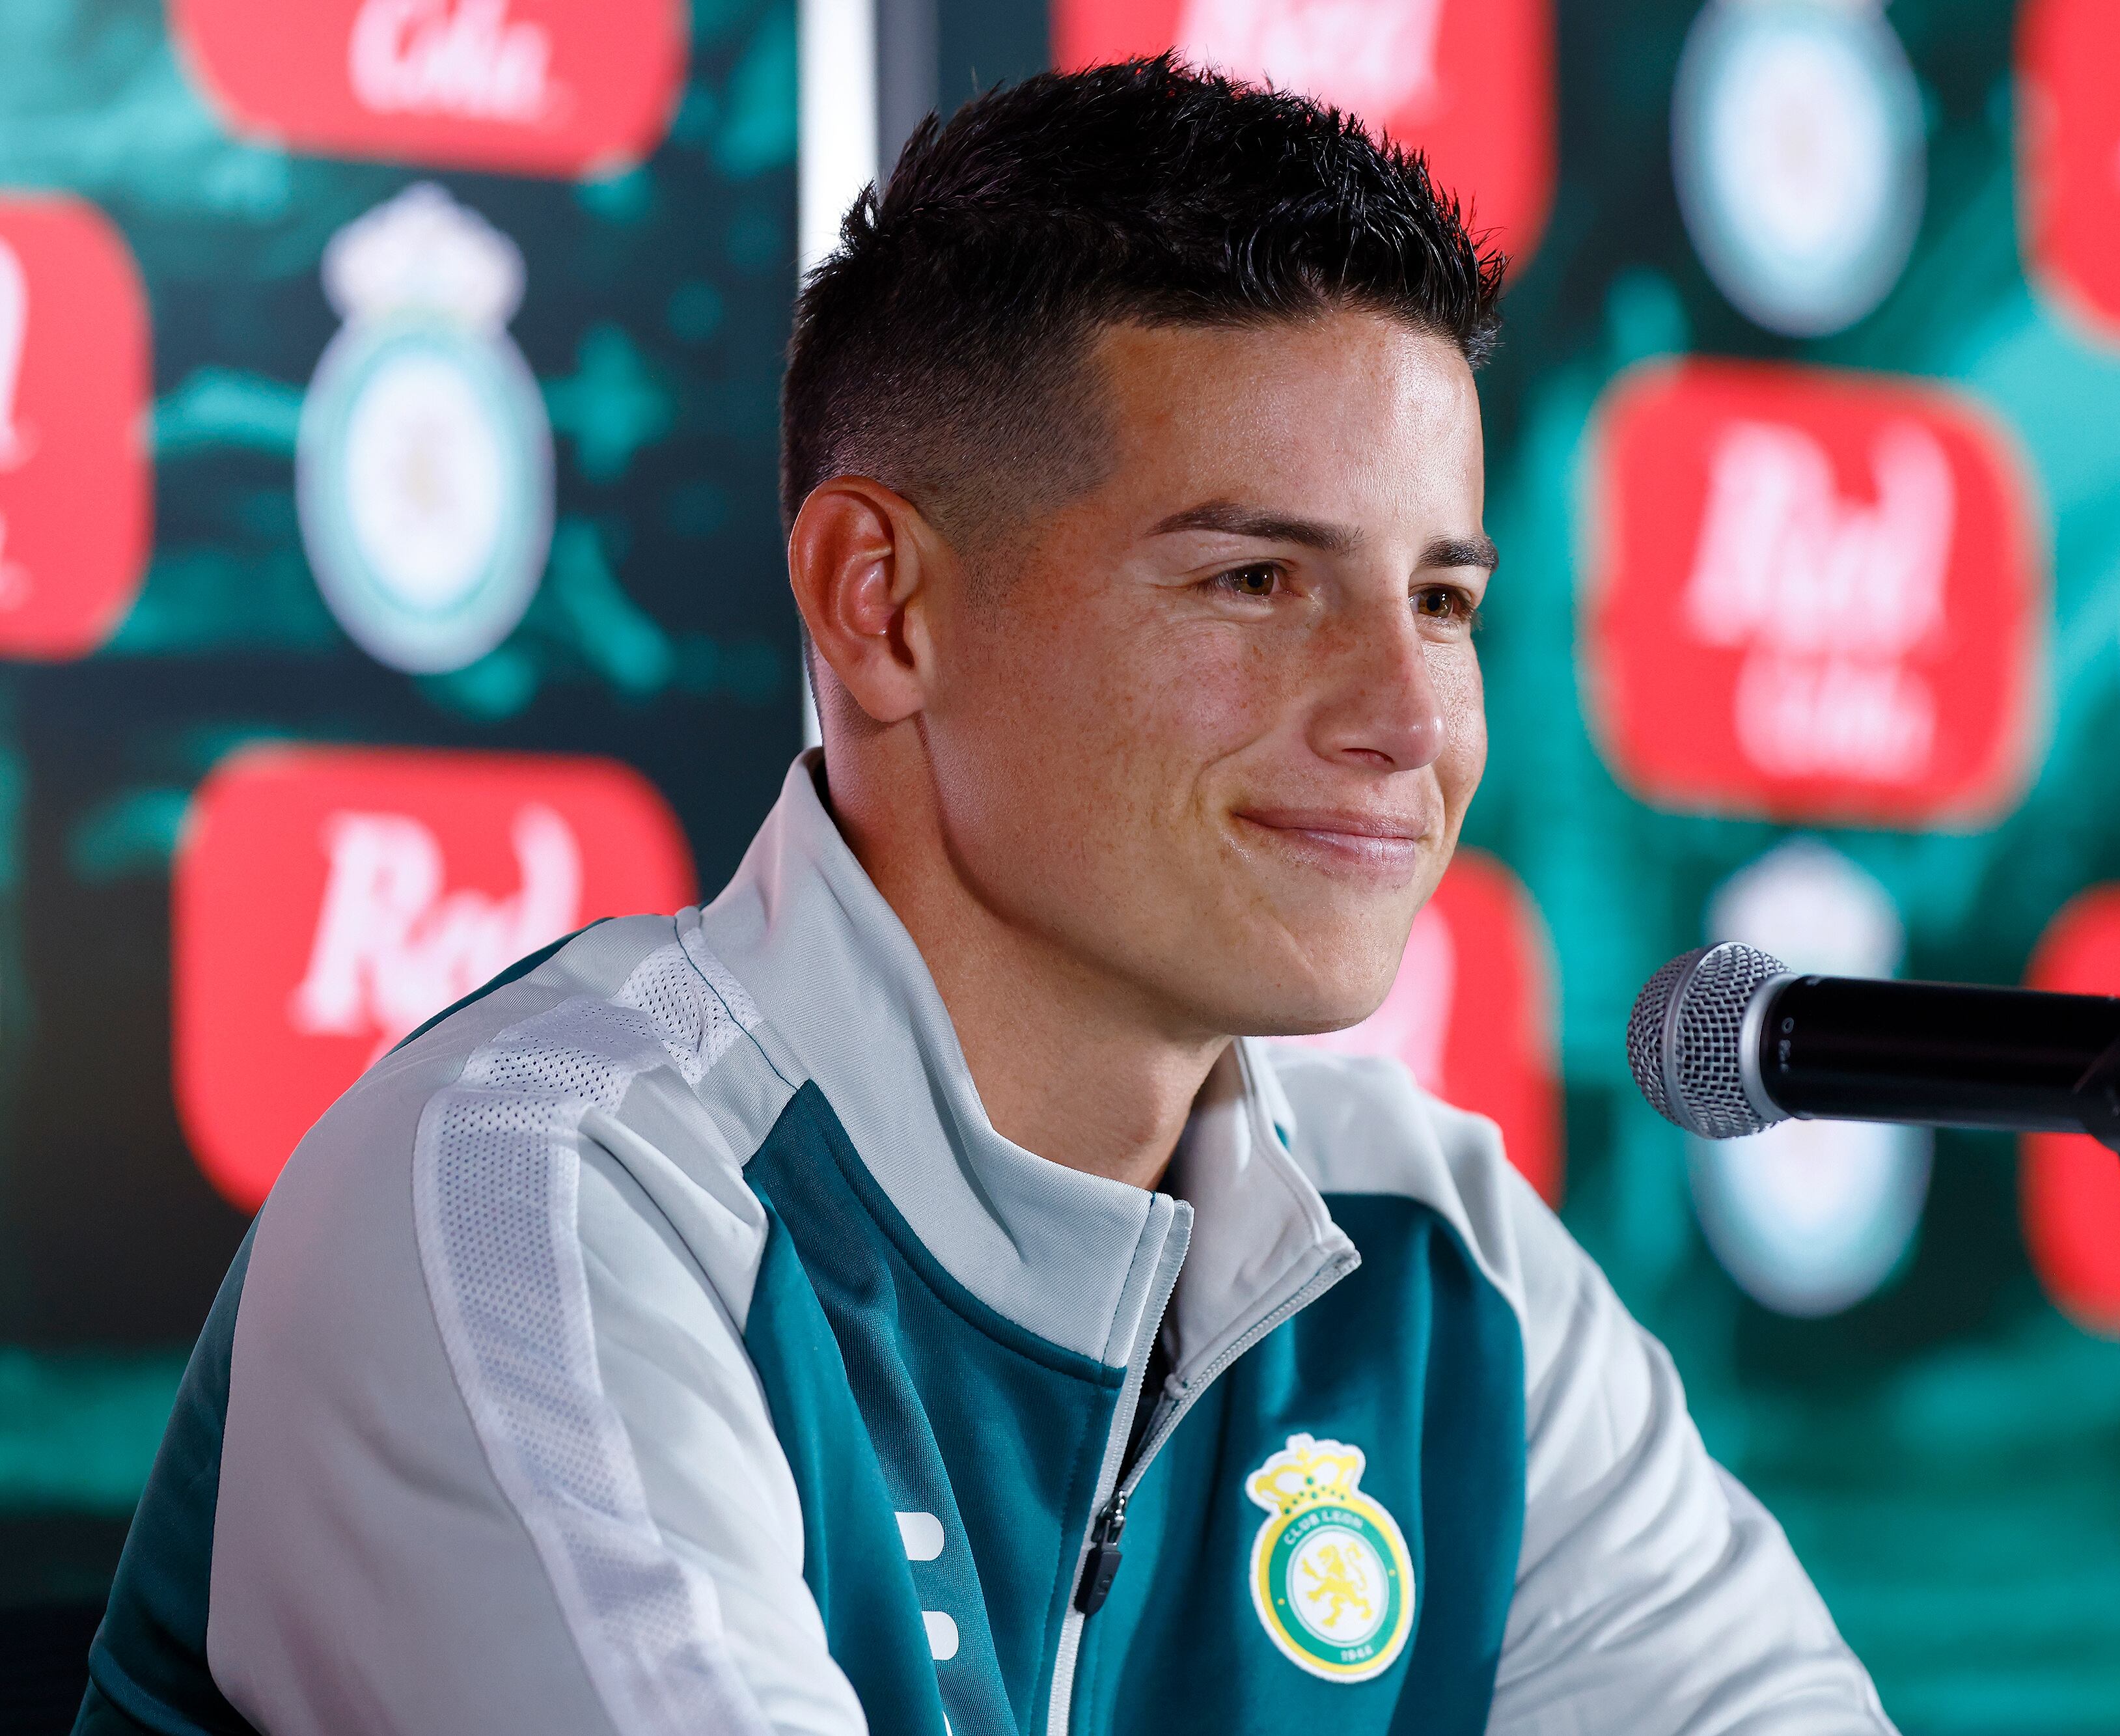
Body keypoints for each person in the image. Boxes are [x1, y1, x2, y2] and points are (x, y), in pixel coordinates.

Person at [77, 58, 1893, 1736]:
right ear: (882, 605)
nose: (1408, 719)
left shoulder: (1441, 1250)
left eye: (1441, 600)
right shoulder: (532, 1191)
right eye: (1259, 579)